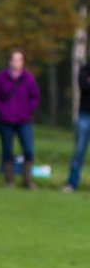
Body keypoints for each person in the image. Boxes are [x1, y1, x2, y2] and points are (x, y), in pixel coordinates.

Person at [0, 48, 40, 188]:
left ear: (22, 62)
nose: (16, 62)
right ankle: (9, 180)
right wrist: (2, 111)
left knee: (28, 150)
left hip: (24, 120)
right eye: (14, 59)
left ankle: (27, 180)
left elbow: (35, 97)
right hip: (6, 120)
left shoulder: (28, 78)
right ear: (9, 61)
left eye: (19, 59)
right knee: (7, 151)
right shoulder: (0, 77)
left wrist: (28, 111)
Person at [61, 60, 90, 192]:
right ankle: (72, 183)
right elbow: (84, 86)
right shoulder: (85, 69)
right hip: (85, 115)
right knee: (78, 151)